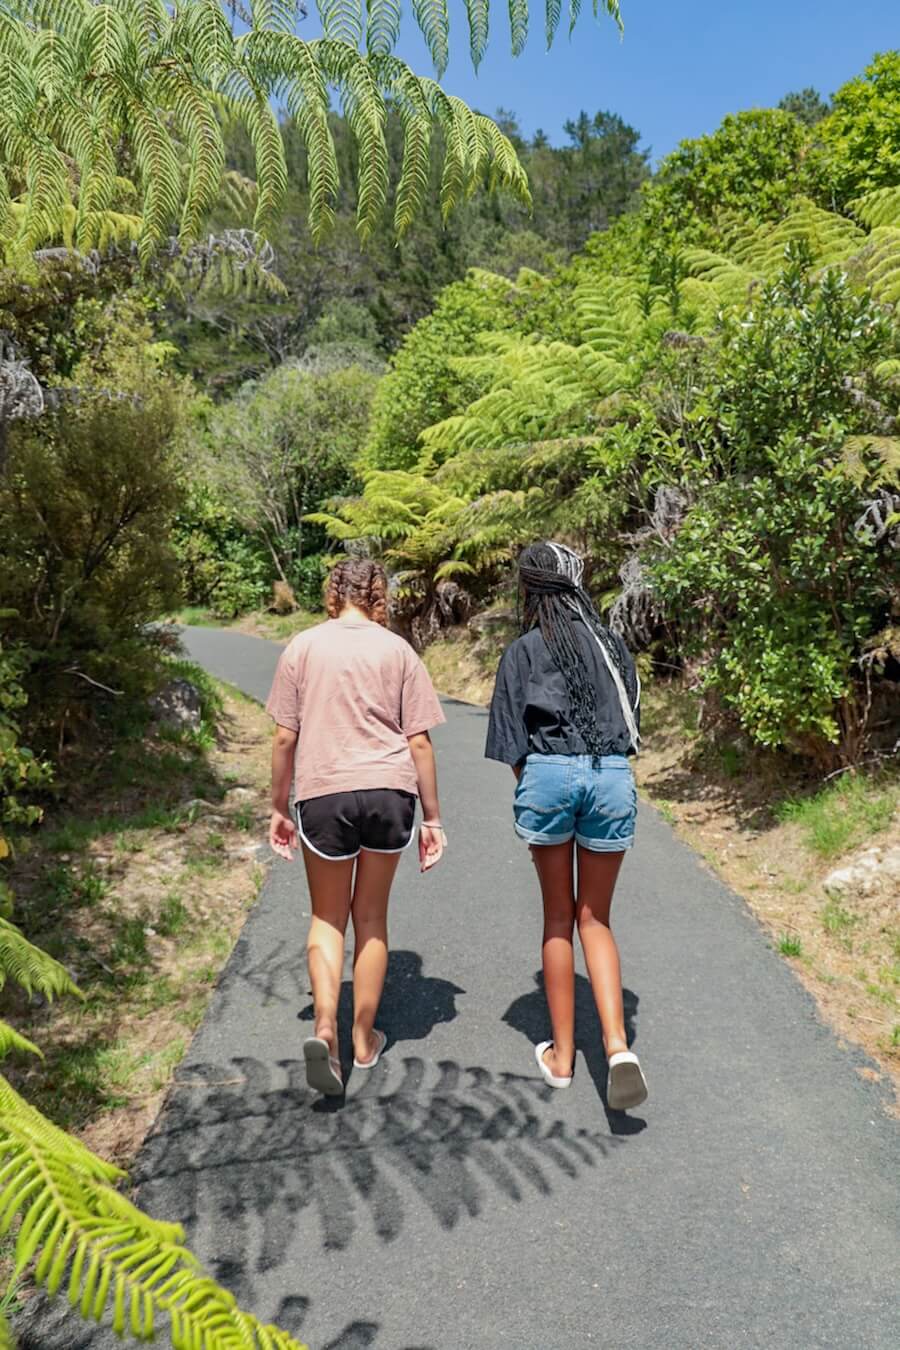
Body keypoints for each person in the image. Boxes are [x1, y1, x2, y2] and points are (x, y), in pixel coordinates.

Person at [267, 559, 447, 1097]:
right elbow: (419, 741)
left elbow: (283, 738)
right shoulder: (398, 650)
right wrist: (433, 817)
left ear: (332, 592)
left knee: (328, 917)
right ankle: (364, 1040)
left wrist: (279, 806)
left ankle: (326, 1030)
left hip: (324, 793)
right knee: (370, 916)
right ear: (377, 594)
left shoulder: (301, 646)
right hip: (390, 792)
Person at [485, 541, 648, 1111]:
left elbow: (511, 745)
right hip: (610, 776)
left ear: (528, 589)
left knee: (558, 918)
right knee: (595, 919)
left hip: (549, 775)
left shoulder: (523, 651)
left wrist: (542, 787)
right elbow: (629, 724)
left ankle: (561, 1058)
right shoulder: (611, 648)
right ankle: (618, 1045)